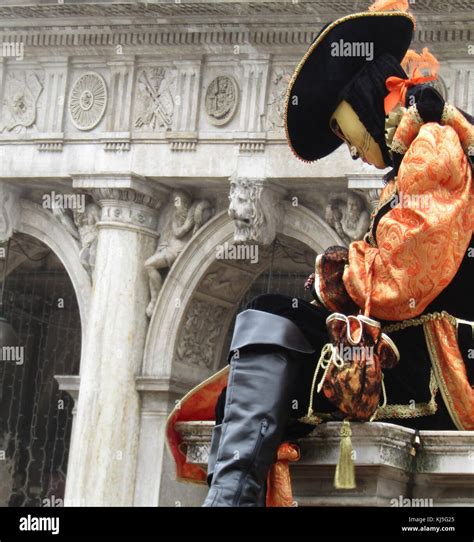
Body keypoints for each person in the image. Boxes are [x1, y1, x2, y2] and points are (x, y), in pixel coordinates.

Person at [166, 1, 474, 507]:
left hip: (435, 371)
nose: (349, 148)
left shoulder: (434, 148)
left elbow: (399, 283)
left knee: (270, 321)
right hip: (409, 354)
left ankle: (232, 496)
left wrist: (333, 278)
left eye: (339, 127)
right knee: (269, 324)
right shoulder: (413, 158)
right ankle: (234, 490)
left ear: (365, 98)